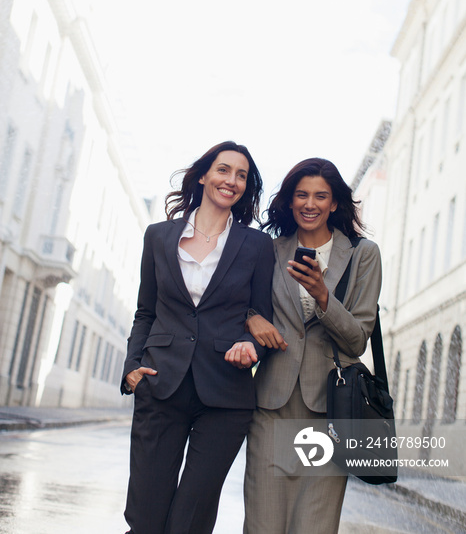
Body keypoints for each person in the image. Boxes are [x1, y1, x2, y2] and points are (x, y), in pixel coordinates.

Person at [121, 141, 274, 534]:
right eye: (224, 170)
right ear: (204, 175)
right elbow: (146, 311)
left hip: (225, 396)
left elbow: (262, 316)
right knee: (145, 517)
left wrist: (251, 347)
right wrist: (132, 368)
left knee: (190, 520)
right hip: (160, 384)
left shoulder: (257, 245)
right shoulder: (158, 236)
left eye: (242, 175)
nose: (232, 180)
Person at [243, 157, 382, 534]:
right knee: (262, 524)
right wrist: (250, 316)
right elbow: (240, 304)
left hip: (331, 412)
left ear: (334, 203)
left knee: (314, 528)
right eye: (301, 195)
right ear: (290, 201)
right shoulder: (268, 251)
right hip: (271, 408)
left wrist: (323, 296)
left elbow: (357, 338)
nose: (310, 203)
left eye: (321, 196)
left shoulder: (362, 254)